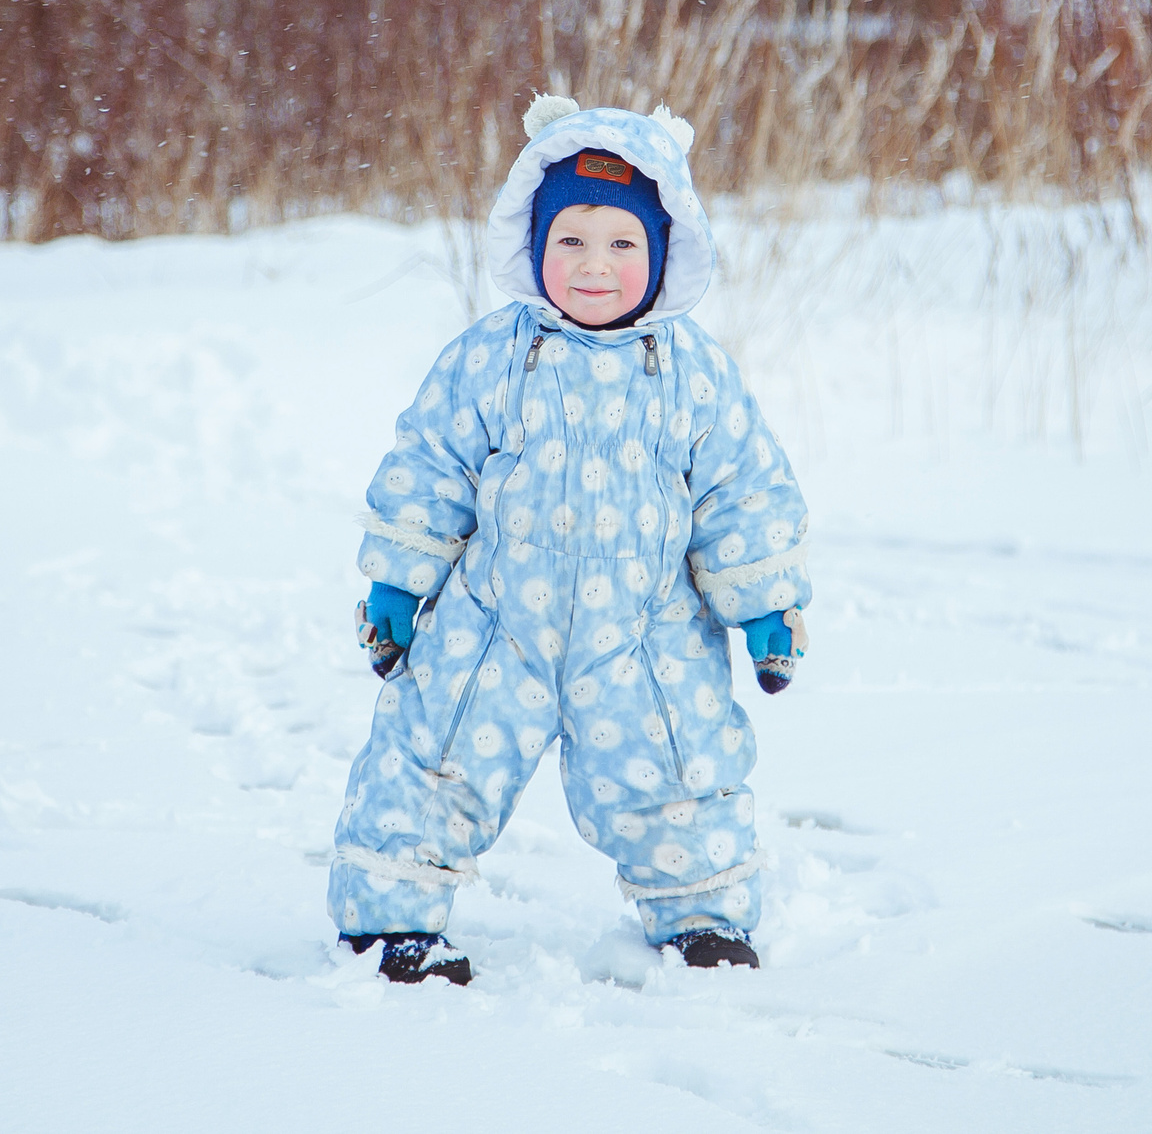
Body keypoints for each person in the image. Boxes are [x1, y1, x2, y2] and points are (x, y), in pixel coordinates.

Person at [327, 95, 810, 986]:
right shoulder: (491, 356)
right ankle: (391, 918)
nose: (595, 267)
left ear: (664, 253)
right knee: (432, 756)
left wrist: (767, 606)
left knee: (678, 769)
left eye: (623, 244)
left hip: (646, 633)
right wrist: (399, 584)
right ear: (534, 247)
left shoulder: (692, 371)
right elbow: (428, 466)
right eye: (571, 242)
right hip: (493, 623)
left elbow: (744, 489)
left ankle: (702, 918)